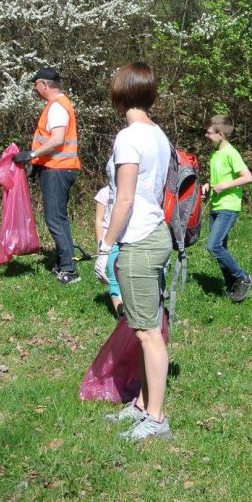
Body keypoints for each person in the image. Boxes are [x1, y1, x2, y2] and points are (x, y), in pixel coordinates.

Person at [95, 62, 174, 441]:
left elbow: (124, 200)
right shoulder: (159, 134)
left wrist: (105, 247)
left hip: (139, 241)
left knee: (148, 333)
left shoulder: (128, 138)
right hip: (156, 234)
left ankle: (156, 419)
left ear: (120, 93)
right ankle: (142, 404)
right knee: (144, 325)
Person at [15, 67, 82, 284]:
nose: (35, 89)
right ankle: (65, 263)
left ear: (44, 84)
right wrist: (37, 164)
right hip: (57, 168)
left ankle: (69, 270)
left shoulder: (56, 107)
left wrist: (31, 155)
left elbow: (57, 139)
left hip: (57, 169)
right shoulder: (58, 104)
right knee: (59, 218)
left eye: (36, 85)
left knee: (54, 219)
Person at [201, 115, 252, 302]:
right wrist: (208, 185)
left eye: (209, 133)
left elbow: (247, 177)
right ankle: (232, 285)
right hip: (216, 206)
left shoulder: (231, 153)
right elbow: (218, 178)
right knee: (221, 247)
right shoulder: (215, 154)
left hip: (229, 206)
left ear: (221, 134)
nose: (206, 136)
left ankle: (243, 277)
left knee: (213, 246)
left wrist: (224, 186)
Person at [92, 184, 123, 315]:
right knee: (114, 279)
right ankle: (121, 316)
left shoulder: (134, 189)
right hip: (110, 243)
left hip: (128, 241)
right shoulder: (105, 192)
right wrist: (102, 248)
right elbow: (99, 220)